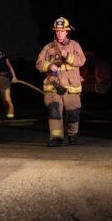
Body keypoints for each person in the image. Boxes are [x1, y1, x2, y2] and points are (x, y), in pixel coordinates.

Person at [36, 17, 86, 147]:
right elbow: (39, 63)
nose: (59, 33)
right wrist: (48, 66)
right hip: (54, 86)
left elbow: (82, 60)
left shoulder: (75, 45)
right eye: (57, 31)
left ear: (67, 32)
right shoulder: (48, 47)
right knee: (54, 111)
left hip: (71, 87)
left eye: (62, 31)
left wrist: (67, 56)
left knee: (73, 113)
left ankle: (72, 136)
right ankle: (56, 137)